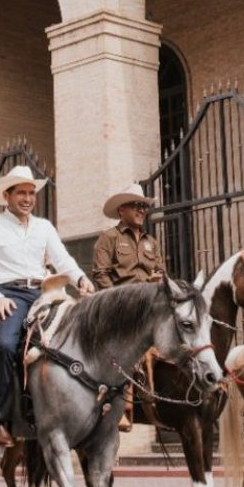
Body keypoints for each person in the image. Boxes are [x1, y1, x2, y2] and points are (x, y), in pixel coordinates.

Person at [0, 166, 94, 447]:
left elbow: (63, 260)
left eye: (32, 193)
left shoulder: (44, 227)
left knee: (78, 336)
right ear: (6, 196)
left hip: (45, 292)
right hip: (8, 295)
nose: (28, 198)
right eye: (21, 192)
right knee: (7, 346)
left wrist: (81, 279)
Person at [92, 182, 163, 432]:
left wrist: (159, 280)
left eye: (143, 206)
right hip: (121, 305)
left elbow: (162, 272)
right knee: (124, 348)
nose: (141, 210)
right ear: (121, 209)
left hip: (151, 304)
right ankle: (118, 404)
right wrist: (120, 298)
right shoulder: (109, 238)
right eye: (135, 205)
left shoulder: (151, 242)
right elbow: (100, 274)